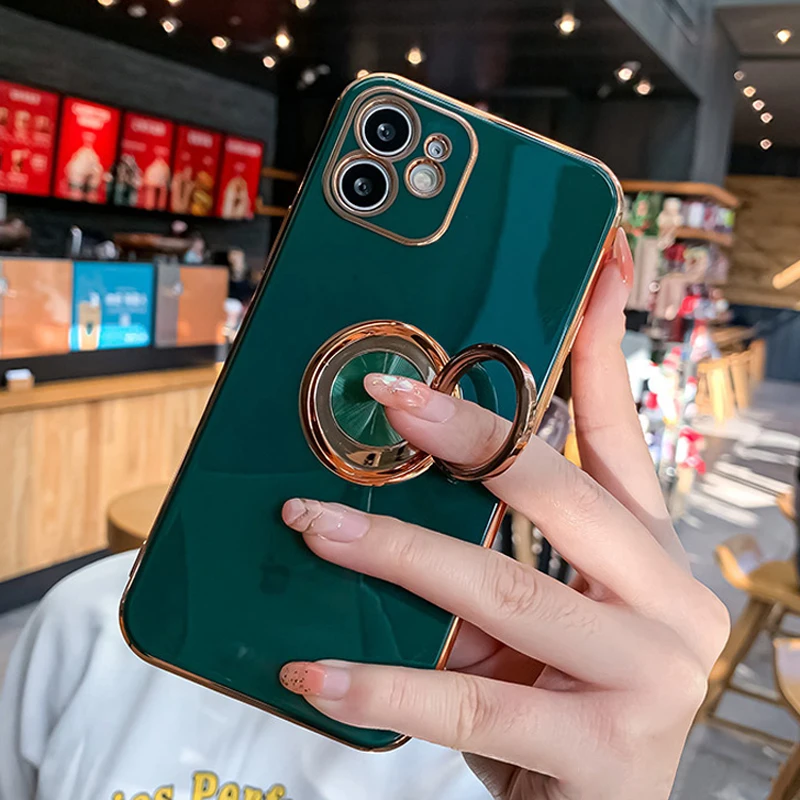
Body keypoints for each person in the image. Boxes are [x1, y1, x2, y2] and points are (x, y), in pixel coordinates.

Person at [0, 230, 728, 800]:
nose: (378, 433)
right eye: (356, 378)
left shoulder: (514, 734)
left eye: (434, 404)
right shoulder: (88, 627)